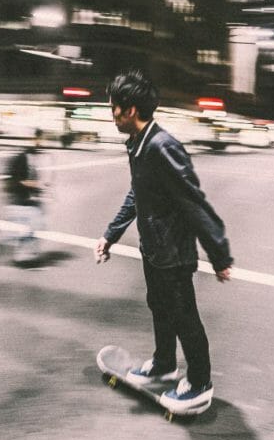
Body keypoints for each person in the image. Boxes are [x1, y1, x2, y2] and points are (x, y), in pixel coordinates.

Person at [93, 70, 233, 414]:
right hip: (154, 248)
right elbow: (137, 194)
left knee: (184, 316)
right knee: (159, 307)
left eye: (113, 108)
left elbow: (192, 200)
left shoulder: (161, 145)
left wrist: (219, 255)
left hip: (173, 252)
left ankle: (199, 383)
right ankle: (164, 362)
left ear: (130, 110)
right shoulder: (138, 145)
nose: (111, 114)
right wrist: (111, 234)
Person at [2, 133, 45, 264]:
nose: (41, 143)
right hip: (18, 200)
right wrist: (35, 185)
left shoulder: (30, 159)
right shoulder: (20, 159)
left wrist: (39, 191)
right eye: (38, 140)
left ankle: (28, 252)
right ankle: (20, 254)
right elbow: (18, 180)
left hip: (27, 200)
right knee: (28, 227)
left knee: (34, 225)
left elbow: (30, 180)